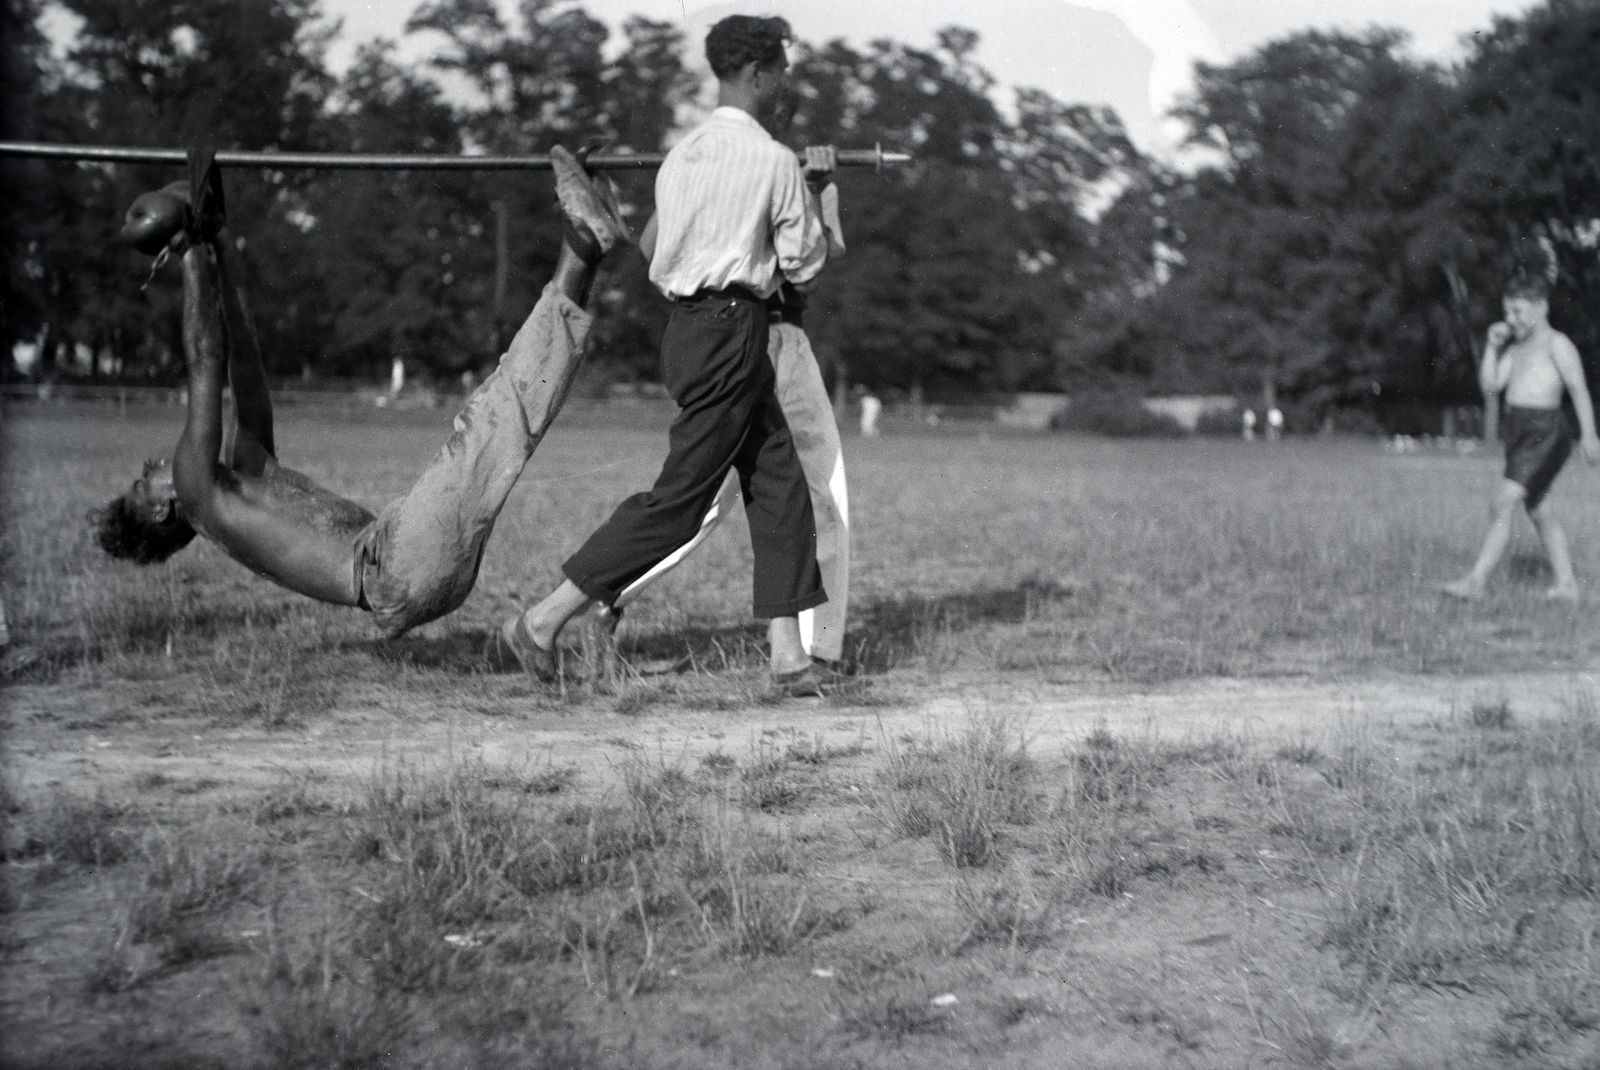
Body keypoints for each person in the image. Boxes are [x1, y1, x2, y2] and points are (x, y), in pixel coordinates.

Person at [92, 145, 631, 637]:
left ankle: (585, 248)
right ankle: (581, 242)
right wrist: (191, 257)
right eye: (144, 481)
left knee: (509, 421)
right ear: (163, 509)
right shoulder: (197, 492)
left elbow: (244, 366)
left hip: (406, 566)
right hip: (394, 567)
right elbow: (204, 360)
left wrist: (221, 247)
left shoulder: (245, 478)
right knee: (497, 417)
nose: (151, 464)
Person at [500, 15, 838, 696]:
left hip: (688, 332)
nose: (785, 85)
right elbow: (804, 263)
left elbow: (652, 250)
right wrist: (818, 190)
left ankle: (788, 658)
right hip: (733, 332)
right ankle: (541, 620)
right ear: (758, 74)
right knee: (678, 503)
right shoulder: (773, 160)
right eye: (782, 72)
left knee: (779, 485)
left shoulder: (681, 157)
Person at [605, 166, 851, 669]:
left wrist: (818, 188)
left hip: (779, 334)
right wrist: (685, 181)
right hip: (745, 335)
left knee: (817, 499)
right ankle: (600, 595)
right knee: (704, 504)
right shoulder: (719, 169)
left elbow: (825, 255)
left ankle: (814, 649)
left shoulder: (777, 169)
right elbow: (652, 247)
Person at [1442, 275, 1600, 601]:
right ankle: (1567, 585)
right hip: (1517, 431)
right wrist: (1492, 347)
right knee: (1538, 508)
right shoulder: (1515, 349)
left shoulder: (1558, 344)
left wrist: (1589, 434)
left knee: (1502, 502)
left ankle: (1476, 582)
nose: (1511, 319)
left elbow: (1577, 388)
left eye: (1517, 311)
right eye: (1507, 312)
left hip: (1547, 432)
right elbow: (1491, 387)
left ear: (1541, 307)